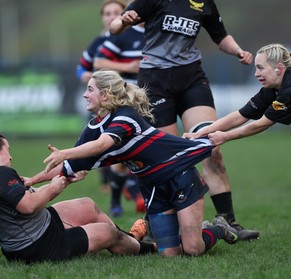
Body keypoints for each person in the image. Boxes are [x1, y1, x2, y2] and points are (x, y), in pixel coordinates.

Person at [26, 70, 238, 257]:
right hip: (152, 186)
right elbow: (67, 167)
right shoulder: (92, 129)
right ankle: (198, 231)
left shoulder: (126, 116)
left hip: (179, 174)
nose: (84, 94)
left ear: (105, 94)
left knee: (193, 249)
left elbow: (102, 145)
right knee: (170, 254)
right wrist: (32, 180)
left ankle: (218, 228)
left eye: (90, 89)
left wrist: (65, 152)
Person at [109, 0, 259, 241]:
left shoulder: (204, 3)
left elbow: (220, 37)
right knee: (164, 156)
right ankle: (156, 222)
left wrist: (238, 51)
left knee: (211, 145)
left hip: (191, 77)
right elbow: (116, 26)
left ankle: (228, 220)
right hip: (155, 81)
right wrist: (123, 21)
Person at [0, 131, 156, 263]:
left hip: (34, 234)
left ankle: (130, 240)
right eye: (7, 150)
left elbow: (28, 196)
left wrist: (66, 180)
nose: (10, 157)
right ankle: (150, 249)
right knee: (108, 233)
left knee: (87, 205)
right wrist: (54, 189)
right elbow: (28, 206)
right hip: (37, 246)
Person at [183, 43, 291, 144]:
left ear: (279, 68)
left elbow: (262, 124)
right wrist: (199, 133)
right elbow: (240, 115)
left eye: (260, 68)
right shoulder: (273, 88)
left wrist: (226, 136)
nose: (256, 74)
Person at [93, 10, 145, 217]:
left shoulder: (162, 34)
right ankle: (118, 198)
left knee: (144, 151)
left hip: (152, 100)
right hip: (124, 101)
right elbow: (97, 63)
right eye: (108, 13)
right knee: (123, 154)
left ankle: (144, 197)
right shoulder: (122, 35)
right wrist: (129, 67)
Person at [76, 0, 127, 194]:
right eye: (107, 13)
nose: (111, 16)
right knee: (100, 140)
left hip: (128, 98)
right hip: (104, 101)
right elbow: (82, 67)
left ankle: (129, 186)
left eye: (116, 12)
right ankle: (107, 183)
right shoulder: (98, 43)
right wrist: (84, 76)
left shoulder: (136, 37)